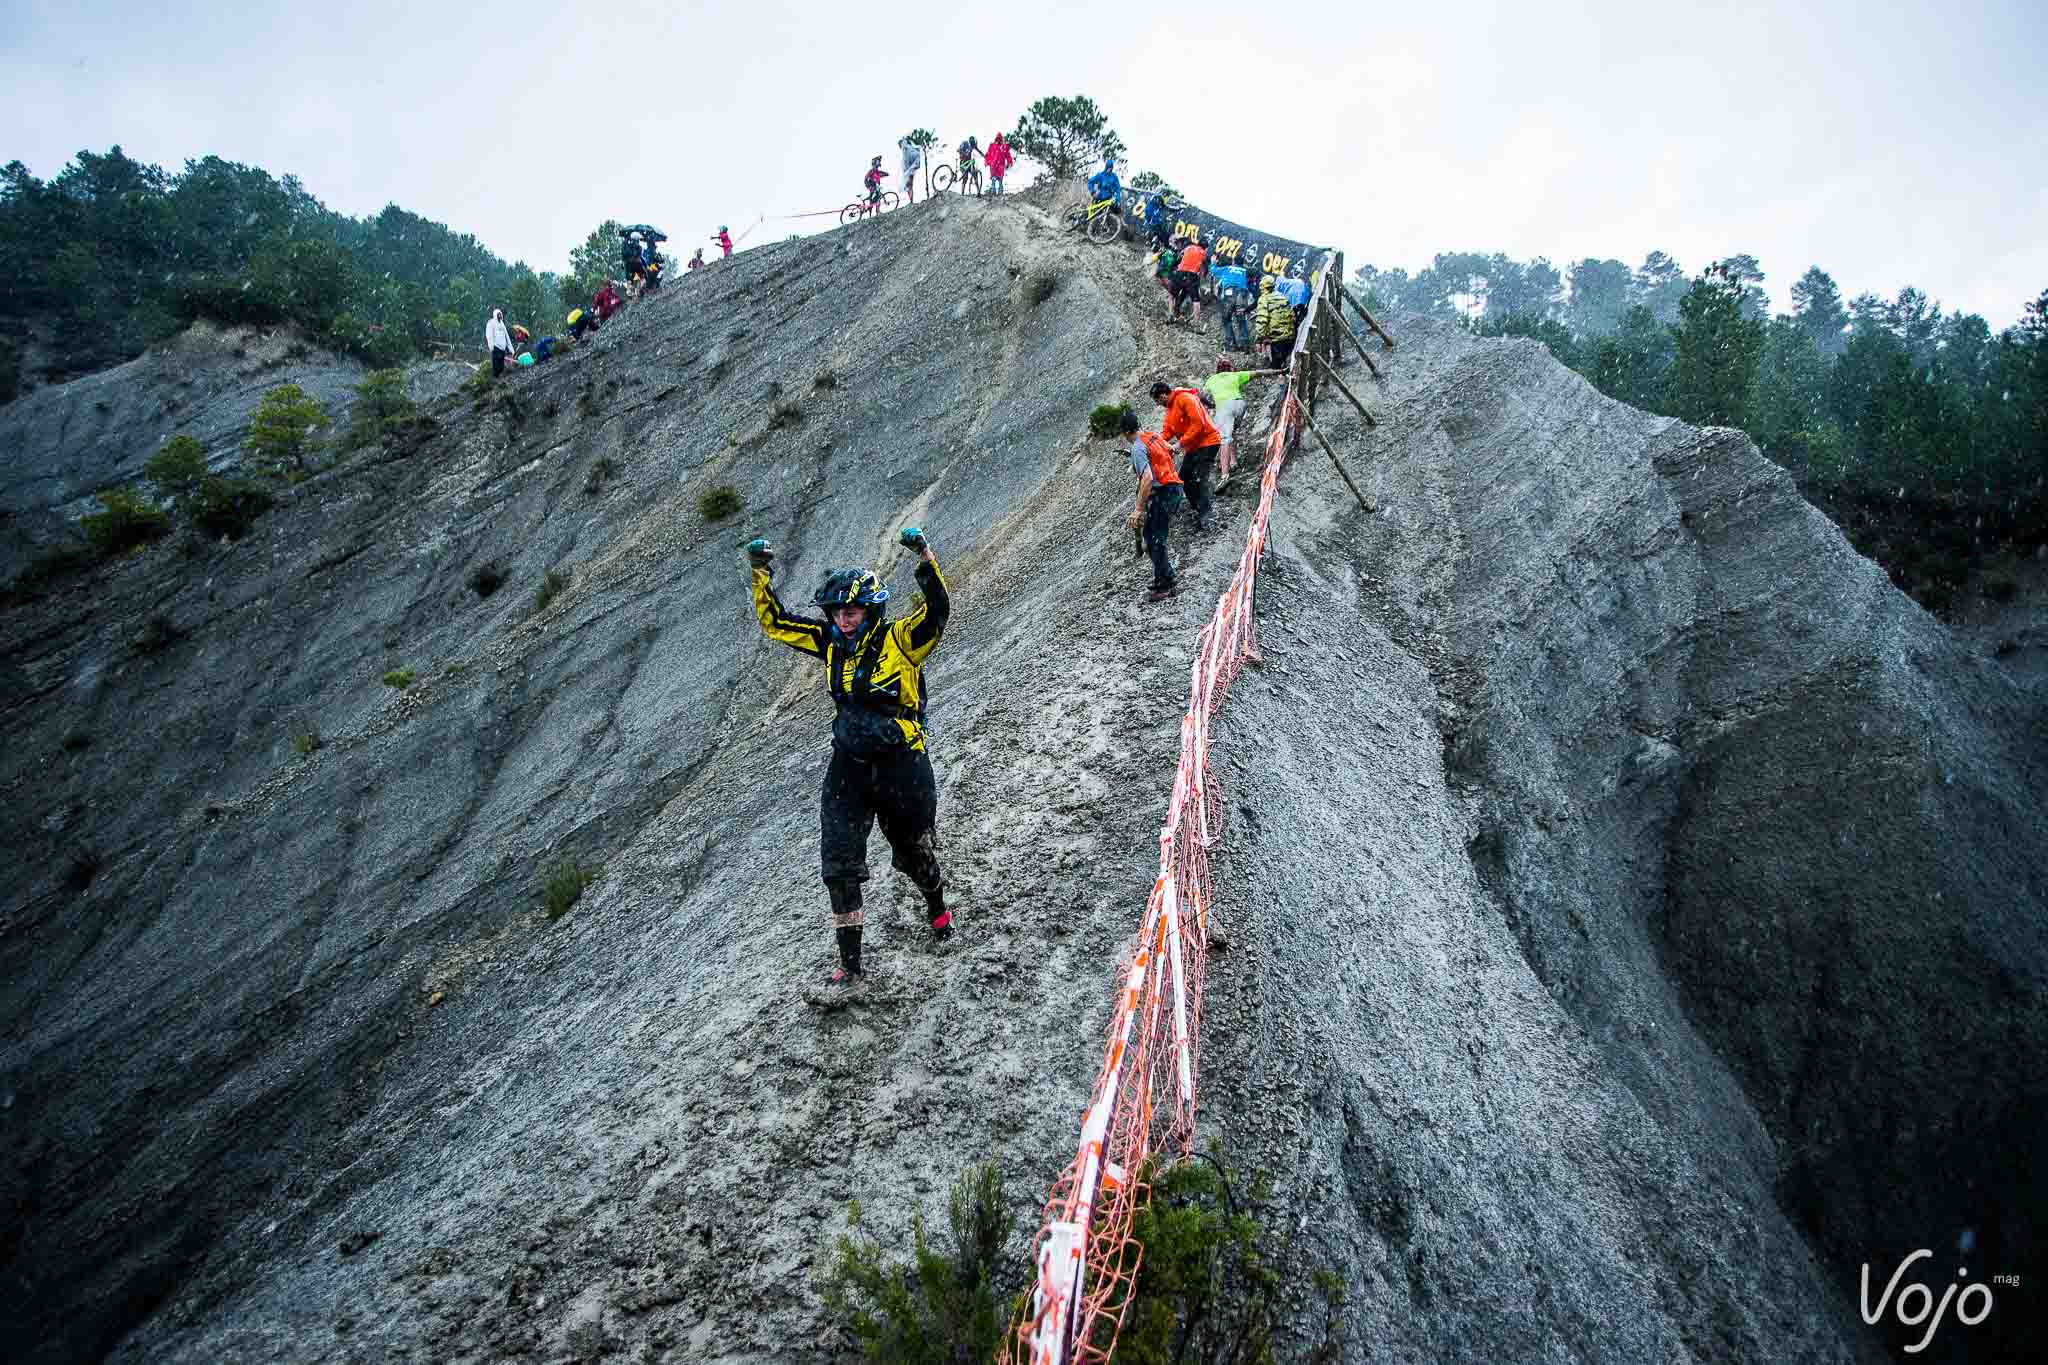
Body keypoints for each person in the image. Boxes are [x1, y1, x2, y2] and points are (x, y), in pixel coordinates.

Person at [745, 530, 955, 987]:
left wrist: (923, 556)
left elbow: (938, 610)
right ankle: (851, 965)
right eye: (837, 610)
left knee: (911, 852)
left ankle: (937, 907)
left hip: (901, 761)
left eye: (852, 610)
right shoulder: (826, 640)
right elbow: (777, 623)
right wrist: (761, 573)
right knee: (839, 864)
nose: (843, 617)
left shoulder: (901, 639)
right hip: (849, 765)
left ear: (871, 610)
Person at [1119, 410, 1183, 600]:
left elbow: (1147, 478)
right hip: (1174, 488)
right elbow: (1172, 450)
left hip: (1162, 492)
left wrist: (1138, 509)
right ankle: (1161, 576)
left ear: (1124, 432)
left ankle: (1165, 584)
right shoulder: (1153, 436)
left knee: (1156, 539)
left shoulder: (1138, 448)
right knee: (1151, 534)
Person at [1151, 380, 1223, 533]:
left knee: (1199, 478)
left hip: (1208, 442)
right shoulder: (1169, 410)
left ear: (1163, 394)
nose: (1158, 403)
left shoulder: (1185, 398)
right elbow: (1167, 431)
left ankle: (1207, 515)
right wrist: (1154, 444)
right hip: (1193, 447)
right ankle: (1199, 508)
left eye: (1157, 399)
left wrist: (1179, 444)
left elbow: (1198, 424)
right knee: (1183, 479)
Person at [1204, 359, 1277, 485]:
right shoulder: (1235, 375)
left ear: (1217, 370)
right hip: (1240, 405)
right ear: (1230, 368)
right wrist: (1279, 371)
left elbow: (1202, 395)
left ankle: (1224, 475)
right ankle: (1233, 462)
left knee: (1224, 438)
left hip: (1224, 406)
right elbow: (1259, 373)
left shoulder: (1212, 379)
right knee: (1231, 432)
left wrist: (1211, 405)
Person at [1255, 277, 1298, 371]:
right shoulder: (1282, 296)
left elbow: (1262, 320)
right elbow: (1292, 315)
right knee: (1287, 361)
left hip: (1276, 336)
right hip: (1289, 334)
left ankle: (1278, 377)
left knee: (1276, 367)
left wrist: (1259, 338)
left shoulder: (1264, 299)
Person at [1213, 257, 1253, 352]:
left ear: (1233, 262)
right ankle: (1245, 345)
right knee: (1241, 318)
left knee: (1226, 318)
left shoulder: (1227, 268)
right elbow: (1251, 283)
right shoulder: (1246, 271)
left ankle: (1231, 344)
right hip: (1242, 293)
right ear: (1243, 263)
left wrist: (1213, 262)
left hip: (1229, 293)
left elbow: (1213, 271)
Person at [1170, 235, 1208, 327]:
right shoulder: (1203, 253)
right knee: (1196, 300)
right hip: (1191, 275)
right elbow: (1204, 270)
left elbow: (1178, 258)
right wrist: (1201, 278)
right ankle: (1196, 322)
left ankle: (1171, 315)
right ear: (1205, 248)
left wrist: (1175, 268)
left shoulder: (1188, 247)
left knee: (1172, 295)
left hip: (1180, 273)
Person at [485, 308, 514, 376]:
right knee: (496, 365)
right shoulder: (491, 323)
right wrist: (491, 347)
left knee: (501, 366)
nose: (500, 316)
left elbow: (507, 336)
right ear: (495, 315)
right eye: (498, 314)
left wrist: (511, 348)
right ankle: (495, 379)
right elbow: (489, 336)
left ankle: (499, 380)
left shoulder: (502, 324)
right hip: (495, 347)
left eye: (500, 314)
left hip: (502, 348)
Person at [898, 136, 924, 203]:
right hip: (910, 170)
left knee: (909, 185)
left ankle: (911, 200)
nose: (901, 147)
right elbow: (906, 163)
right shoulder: (906, 150)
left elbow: (909, 161)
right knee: (909, 186)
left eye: (901, 145)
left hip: (911, 169)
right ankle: (911, 200)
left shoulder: (907, 149)